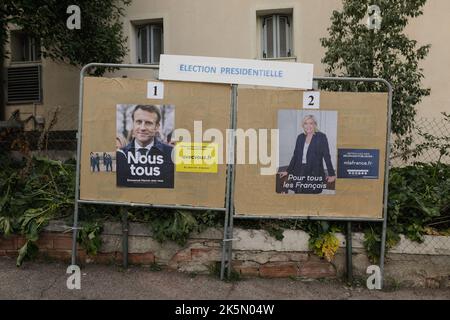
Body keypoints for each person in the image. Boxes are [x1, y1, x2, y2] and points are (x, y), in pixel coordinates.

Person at [117, 105, 174, 188]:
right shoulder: (120, 155)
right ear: (133, 124)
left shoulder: (171, 154)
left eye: (148, 123)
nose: (142, 128)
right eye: (138, 122)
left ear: (157, 127)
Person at [279, 115, 336, 194]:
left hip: (314, 172)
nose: (308, 126)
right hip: (299, 171)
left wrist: (332, 174)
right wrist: (288, 171)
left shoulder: (321, 137)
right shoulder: (300, 137)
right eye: (306, 123)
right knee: (299, 193)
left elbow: (327, 156)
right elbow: (295, 156)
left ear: (315, 125)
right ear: (303, 125)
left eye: (311, 123)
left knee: (310, 194)